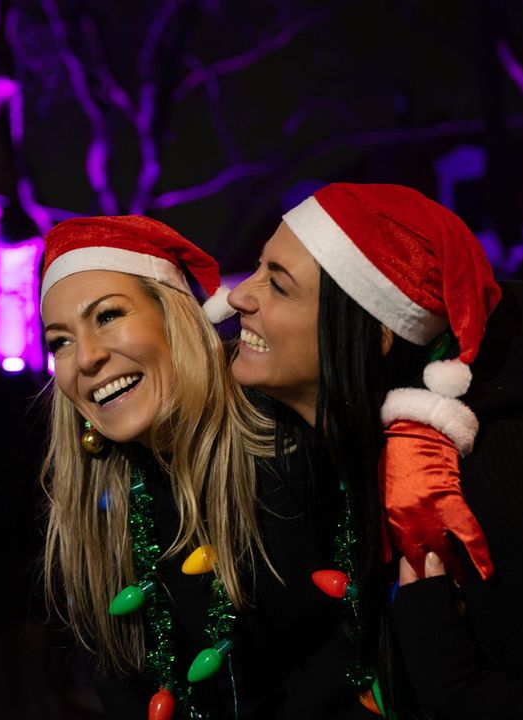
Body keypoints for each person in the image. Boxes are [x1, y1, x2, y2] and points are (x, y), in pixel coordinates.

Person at [226, 182, 523, 718]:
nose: (239, 296)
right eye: (258, 268)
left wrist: (452, 688)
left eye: (279, 285)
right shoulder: (346, 464)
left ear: (377, 333)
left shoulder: (500, 474)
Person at [40, 215, 378, 718]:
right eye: (60, 341)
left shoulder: (288, 435)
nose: (85, 358)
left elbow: (372, 629)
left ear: (174, 316)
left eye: (108, 315)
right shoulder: (95, 507)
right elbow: (122, 685)